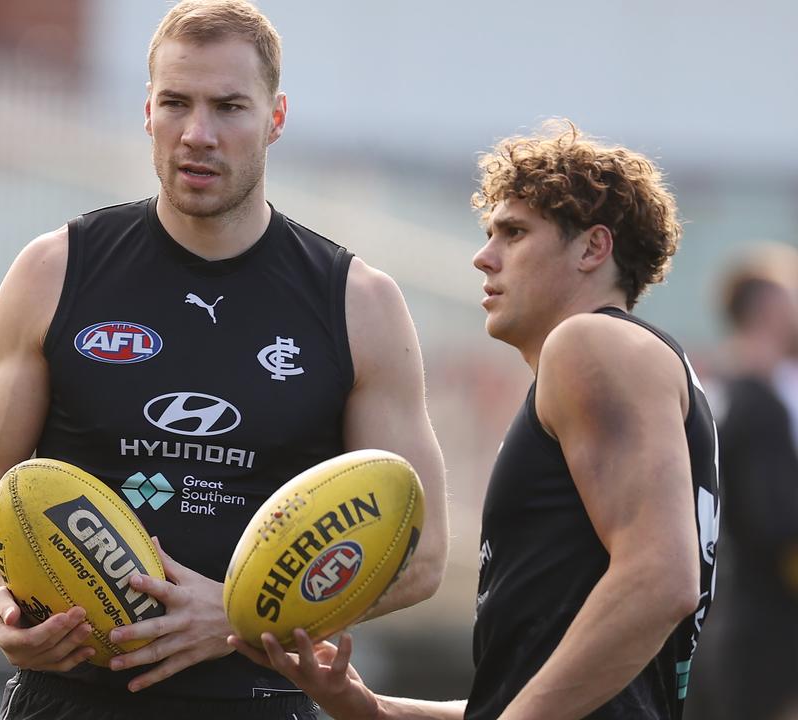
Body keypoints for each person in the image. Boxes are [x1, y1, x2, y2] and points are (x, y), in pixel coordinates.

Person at [0, 1, 449, 718]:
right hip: (73, 695)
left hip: (257, 699)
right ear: (148, 110)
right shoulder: (55, 270)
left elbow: (420, 557)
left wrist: (246, 621)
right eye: (176, 102)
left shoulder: (359, 304)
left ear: (275, 118)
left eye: (229, 107)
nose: (198, 134)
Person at [231, 121, 720, 720]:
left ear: (593, 248)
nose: (483, 256)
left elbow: (661, 581)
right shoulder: (637, 367)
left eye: (513, 233)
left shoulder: (592, 345)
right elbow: (526, 701)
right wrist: (370, 707)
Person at [685, 255, 798, 720]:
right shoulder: (760, 403)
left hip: (719, 612)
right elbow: (779, 526)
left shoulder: (714, 389)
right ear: (771, 308)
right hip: (769, 629)